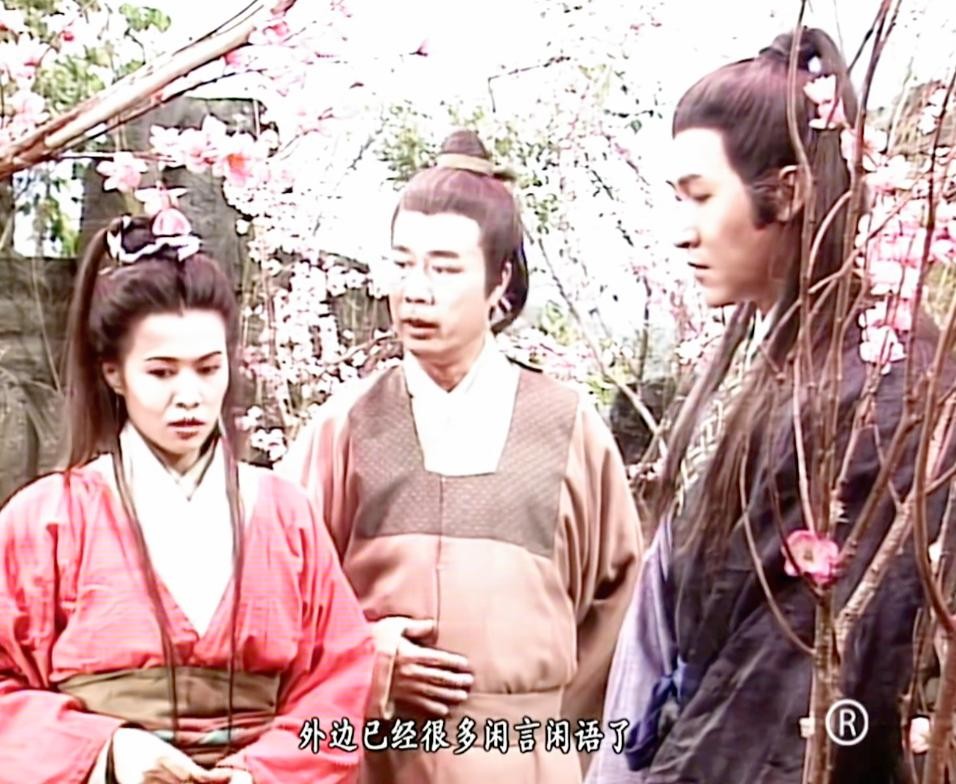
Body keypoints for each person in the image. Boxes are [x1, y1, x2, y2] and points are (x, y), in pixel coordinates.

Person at [587, 28, 956, 784]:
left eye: (700, 197)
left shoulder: (877, 386)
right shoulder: (777, 360)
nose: (682, 234)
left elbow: (790, 669)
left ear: (787, 192)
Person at [277, 129, 642, 783]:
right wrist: (364, 657)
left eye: (444, 269)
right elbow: (278, 594)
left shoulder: (568, 427)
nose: (415, 290)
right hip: (378, 758)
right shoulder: (346, 425)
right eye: (402, 264)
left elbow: (617, 609)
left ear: (500, 282)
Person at [0, 212, 375, 783]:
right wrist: (109, 750)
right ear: (114, 373)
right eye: (161, 372)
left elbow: (339, 683)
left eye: (207, 368)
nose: (190, 396)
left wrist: (258, 772)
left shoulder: (285, 512)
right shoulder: (46, 520)